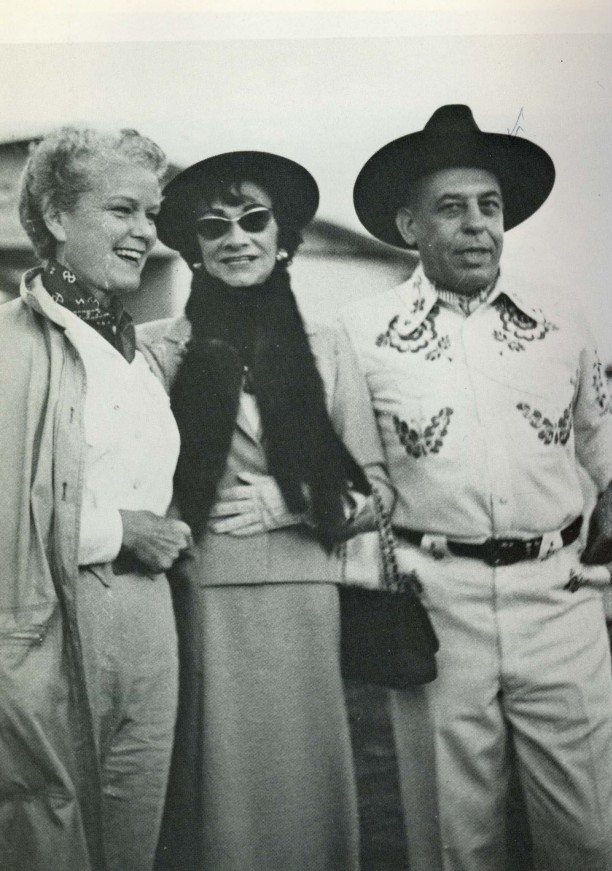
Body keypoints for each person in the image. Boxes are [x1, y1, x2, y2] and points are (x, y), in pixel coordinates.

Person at [339, 104, 612, 871]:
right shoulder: (360, 332)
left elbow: (601, 429)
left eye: (489, 205)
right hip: (439, 605)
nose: (477, 225)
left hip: (559, 594)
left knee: (581, 834)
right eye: (451, 207)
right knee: (453, 839)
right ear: (409, 226)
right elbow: (352, 471)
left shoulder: (559, 317)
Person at [137, 149, 393, 871]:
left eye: (254, 219)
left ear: (283, 237)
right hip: (199, 592)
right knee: (216, 796)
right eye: (214, 227)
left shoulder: (327, 348)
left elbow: (381, 493)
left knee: (300, 788)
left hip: (303, 596)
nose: (237, 238)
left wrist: (291, 500)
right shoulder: (159, 350)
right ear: (192, 248)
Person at [0, 127, 192, 871]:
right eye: (122, 210)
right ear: (54, 215)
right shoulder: (10, 344)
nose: (146, 231)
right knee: (44, 840)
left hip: (148, 625)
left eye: (151, 213)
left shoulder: (136, 350)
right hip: (51, 617)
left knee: (130, 842)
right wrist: (121, 532)